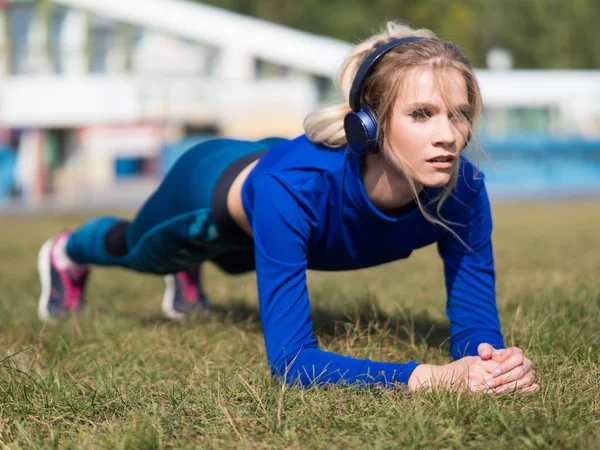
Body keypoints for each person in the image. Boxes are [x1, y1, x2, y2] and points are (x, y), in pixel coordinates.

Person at [37, 22, 539, 393]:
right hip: (210, 188)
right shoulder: (292, 188)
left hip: (284, 182)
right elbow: (293, 362)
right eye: (422, 114)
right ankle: (68, 252)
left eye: (459, 115)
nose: (449, 136)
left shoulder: (464, 189)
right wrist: (429, 377)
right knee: (139, 252)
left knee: (243, 258)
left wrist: (489, 364)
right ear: (368, 125)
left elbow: (475, 322)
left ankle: (190, 274)